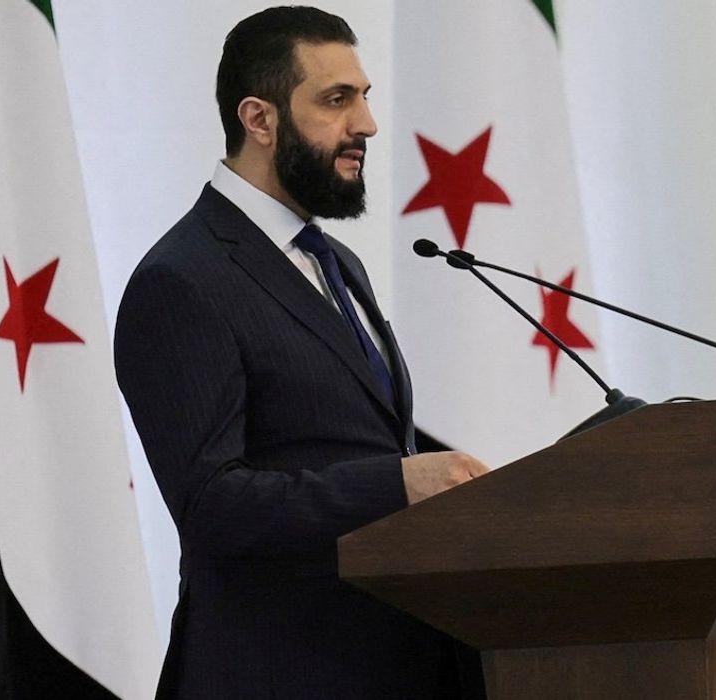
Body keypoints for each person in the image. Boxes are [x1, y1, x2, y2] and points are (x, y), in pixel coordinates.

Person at [113, 7, 490, 698]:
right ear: (259, 119)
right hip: (275, 669)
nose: (367, 125)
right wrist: (399, 484)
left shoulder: (334, 261)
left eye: (365, 96)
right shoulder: (183, 280)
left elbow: (348, 440)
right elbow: (211, 505)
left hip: (388, 659)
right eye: (336, 100)